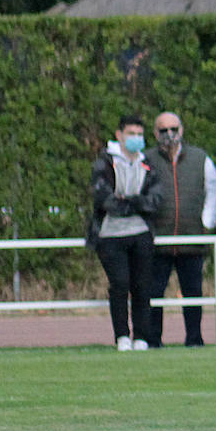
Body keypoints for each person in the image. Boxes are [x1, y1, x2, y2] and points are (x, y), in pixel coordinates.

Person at [145, 111, 216, 347]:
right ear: (155, 133)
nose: (169, 135)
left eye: (174, 129)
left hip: (192, 239)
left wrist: (205, 224)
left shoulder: (201, 158)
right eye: (163, 130)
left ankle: (194, 339)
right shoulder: (146, 159)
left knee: (193, 294)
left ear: (182, 130)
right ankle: (152, 340)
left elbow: (214, 193)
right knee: (154, 293)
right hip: (158, 241)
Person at [87, 114, 161, 351]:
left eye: (140, 134)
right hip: (110, 234)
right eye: (131, 134)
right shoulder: (105, 162)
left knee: (142, 286)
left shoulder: (147, 163)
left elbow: (156, 200)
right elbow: (103, 198)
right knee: (119, 284)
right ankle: (122, 336)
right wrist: (135, 203)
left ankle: (141, 337)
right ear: (119, 135)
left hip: (141, 233)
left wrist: (129, 201)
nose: (136, 139)